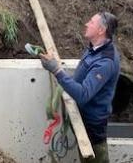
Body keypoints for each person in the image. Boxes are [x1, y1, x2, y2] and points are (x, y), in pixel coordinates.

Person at [40, 12, 121, 163]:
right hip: (82, 116)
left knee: (96, 159)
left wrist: (57, 70)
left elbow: (83, 94)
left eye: (91, 22)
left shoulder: (105, 62)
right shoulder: (94, 49)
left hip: (93, 125)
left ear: (101, 30)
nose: (86, 24)